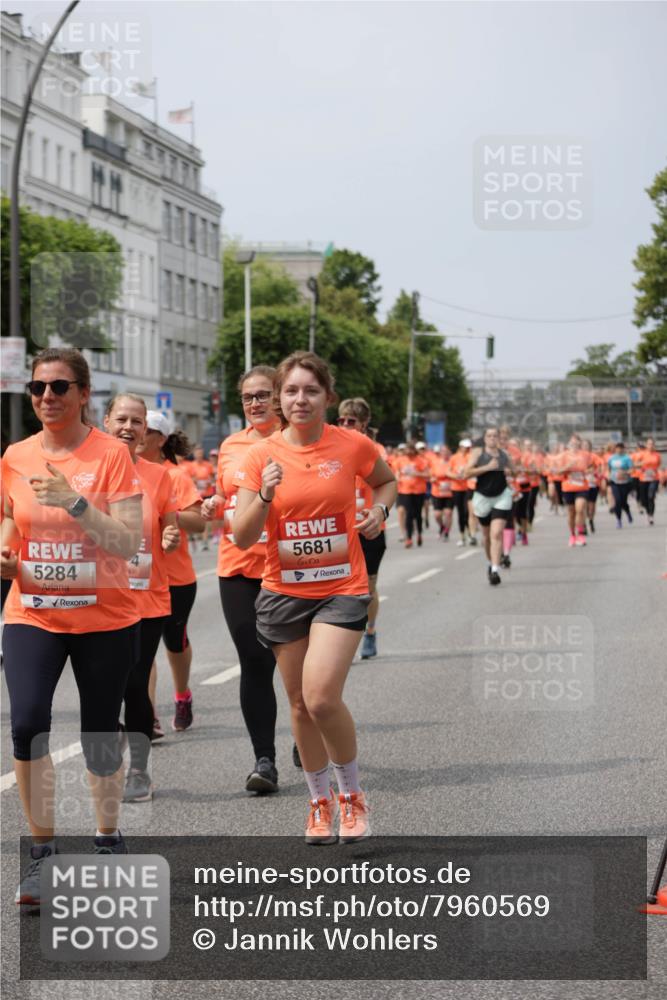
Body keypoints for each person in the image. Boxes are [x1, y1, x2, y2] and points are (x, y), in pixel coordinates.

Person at [233, 351, 397, 844]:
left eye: (310, 390)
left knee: (323, 697)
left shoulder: (351, 445)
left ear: (327, 395)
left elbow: (386, 482)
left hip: (341, 587)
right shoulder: (259, 456)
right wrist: (263, 495)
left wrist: (380, 513)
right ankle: (318, 802)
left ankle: (352, 796)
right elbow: (241, 537)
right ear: (279, 399)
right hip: (284, 592)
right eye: (290, 391)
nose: (299, 399)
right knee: (300, 705)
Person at [2, 348, 143, 903]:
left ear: (85, 394)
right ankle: (41, 856)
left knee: (99, 735)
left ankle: (107, 839)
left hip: (104, 616)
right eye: (38, 388)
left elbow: (129, 541)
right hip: (32, 610)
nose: (47, 398)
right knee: (27, 722)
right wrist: (7, 551)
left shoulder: (111, 456)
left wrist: (76, 502)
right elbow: (11, 516)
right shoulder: (16, 454)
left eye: (60, 387)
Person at [201, 366, 284, 794]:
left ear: (280, 397)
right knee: (255, 661)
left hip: (287, 567)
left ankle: (308, 735)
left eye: (264, 395)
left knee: (298, 667)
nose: (256, 403)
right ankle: (264, 760)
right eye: (249, 396)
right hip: (237, 566)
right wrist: (215, 501)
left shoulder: (295, 442)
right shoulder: (231, 446)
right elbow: (227, 494)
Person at [104, 395, 180, 802]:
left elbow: (169, 527)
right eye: (122, 419)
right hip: (98, 595)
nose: (129, 427)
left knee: (136, 683)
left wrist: (169, 535)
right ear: (106, 421)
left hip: (145, 597)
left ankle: (138, 771)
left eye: (137, 421)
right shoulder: (87, 471)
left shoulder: (159, 475)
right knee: (104, 684)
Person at [136, 413, 205, 735]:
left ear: (160, 439)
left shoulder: (175, 476)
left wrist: (165, 513)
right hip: (139, 576)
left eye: (145, 429)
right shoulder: (124, 473)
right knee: (143, 648)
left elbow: (198, 522)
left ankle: (182, 695)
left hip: (176, 577)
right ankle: (147, 714)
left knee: (174, 644)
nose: (137, 434)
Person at [337, 397, 391, 659]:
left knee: (367, 589)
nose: (345, 425)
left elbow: (387, 482)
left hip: (369, 529)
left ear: (364, 423)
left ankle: (370, 632)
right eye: (341, 420)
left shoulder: (373, 449)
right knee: (341, 590)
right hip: (340, 532)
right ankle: (345, 641)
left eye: (351, 421)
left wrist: (379, 512)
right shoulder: (330, 448)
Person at [464, 427, 514, 585]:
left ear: (499, 438)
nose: (492, 438)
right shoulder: (478, 454)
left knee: (497, 533)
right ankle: (490, 561)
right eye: (489, 436)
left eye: (495, 436)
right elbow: (466, 473)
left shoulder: (505, 454)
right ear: (485, 438)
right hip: (482, 497)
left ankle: (494, 569)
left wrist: (511, 471)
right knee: (486, 536)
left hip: (501, 496)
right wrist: (487, 467)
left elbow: (514, 471)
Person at [394, 441, 429, 548]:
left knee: (417, 514)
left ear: (414, 450)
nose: (408, 452)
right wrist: (397, 478)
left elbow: (428, 474)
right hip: (405, 491)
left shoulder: (421, 460)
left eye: (410, 450)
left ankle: (419, 533)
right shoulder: (400, 460)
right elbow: (396, 473)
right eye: (407, 450)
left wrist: (417, 473)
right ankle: (408, 538)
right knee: (408, 514)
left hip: (419, 491)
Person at [560, 434, 593, 546]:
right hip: (568, 487)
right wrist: (568, 466)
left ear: (579, 444)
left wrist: (589, 472)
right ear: (569, 444)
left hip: (581, 486)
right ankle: (572, 535)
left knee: (580, 509)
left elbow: (593, 466)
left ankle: (581, 535)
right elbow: (558, 471)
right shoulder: (564, 456)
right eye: (572, 443)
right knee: (571, 512)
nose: (574, 445)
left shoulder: (585, 455)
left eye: (576, 443)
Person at [186, 445, 215, 549]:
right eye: (197, 453)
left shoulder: (208, 465)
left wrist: (208, 482)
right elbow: (187, 480)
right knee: (195, 516)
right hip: (195, 495)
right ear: (194, 454)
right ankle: (193, 537)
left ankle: (205, 541)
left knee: (206, 517)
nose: (199, 455)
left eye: (201, 453)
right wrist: (194, 481)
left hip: (207, 494)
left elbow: (212, 479)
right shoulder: (190, 466)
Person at [449, 439, 472, 546]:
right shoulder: (454, 458)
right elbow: (448, 471)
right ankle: (462, 536)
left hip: (469, 487)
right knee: (461, 513)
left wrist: (467, 474)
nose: (467, 449)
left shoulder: (471, 457)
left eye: (468, 447)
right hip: (457, 488)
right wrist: (456, 476)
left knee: (468, 512)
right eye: (465, 447)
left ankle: (471, 534)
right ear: (460, 447)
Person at [430, 445, 454, 540]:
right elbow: (431, 476)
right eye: (442, 451)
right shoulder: (435, 462)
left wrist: (451, 482)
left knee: (448, 513)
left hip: (450, 492)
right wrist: (433, 479)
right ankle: (442, 526)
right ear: (440, 453)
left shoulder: (452, 462)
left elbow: (457, 474)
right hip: (437, 491)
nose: (444, 453)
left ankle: (447, 532)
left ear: (449, 452)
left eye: (446, 451)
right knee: (437, 515)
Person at [635, 437, 661, 525]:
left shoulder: (657, 455)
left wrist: (654, 471)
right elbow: (635, 464)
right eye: (649, 444)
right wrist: (641, 464)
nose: (651, 445)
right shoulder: (642, 454)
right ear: (646, 445)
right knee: (643, 499)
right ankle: (648, 511)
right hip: (643, 478)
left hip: (654, 478)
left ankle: (651, 515)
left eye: (652, 444)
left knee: (651, 496)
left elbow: (658, 465)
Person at [608, 441, 634, 527]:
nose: (619, 450)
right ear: (615, 449)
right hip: (614, 482)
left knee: (623, 502)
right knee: (617, 501)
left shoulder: (627, 458)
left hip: (625, 482)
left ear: (623, 449)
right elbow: (608, 469)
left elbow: (631, 469)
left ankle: (628, 512)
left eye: (621, 448)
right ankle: (618, 520)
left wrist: (625, 473)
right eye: (617, 448)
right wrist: (609, 475)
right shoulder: (611, 458)